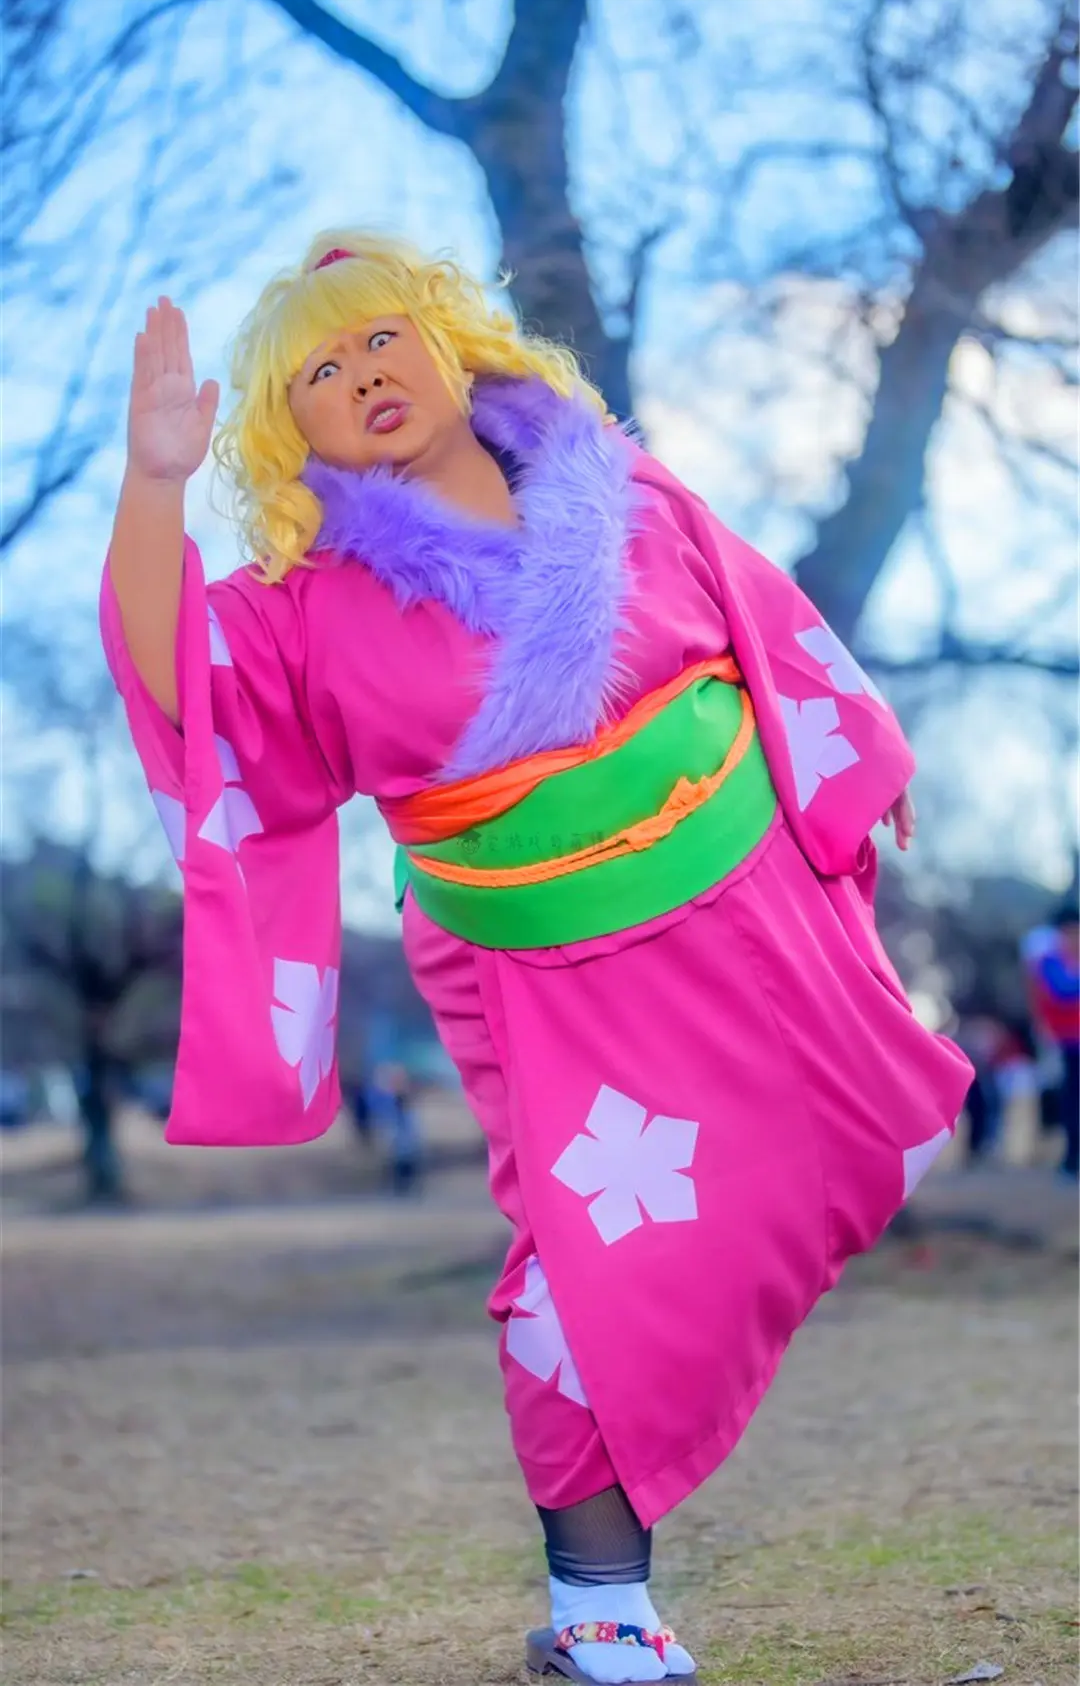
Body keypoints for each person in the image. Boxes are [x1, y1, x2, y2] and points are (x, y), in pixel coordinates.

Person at [101, 232, 973, 1685]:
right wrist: (152, 485)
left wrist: (859, 750)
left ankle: (617, 1556)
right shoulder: (306, 600)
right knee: (587, 1256)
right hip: (538, 964)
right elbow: (175, 672)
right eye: (319, 371)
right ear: (293, 431)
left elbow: (760, 613)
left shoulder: (620, 485)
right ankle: (600, 1602)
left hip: (745, 899)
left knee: (880, 1124)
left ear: (449, 341)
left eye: (382, 337)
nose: (362, 374)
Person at [1023, 907, 1080, 1178]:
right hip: (1066, 1043)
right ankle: (1071, 1158)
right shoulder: (1049, 962)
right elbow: (1062, 991)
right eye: (1068, 933)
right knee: (1071, 1099)